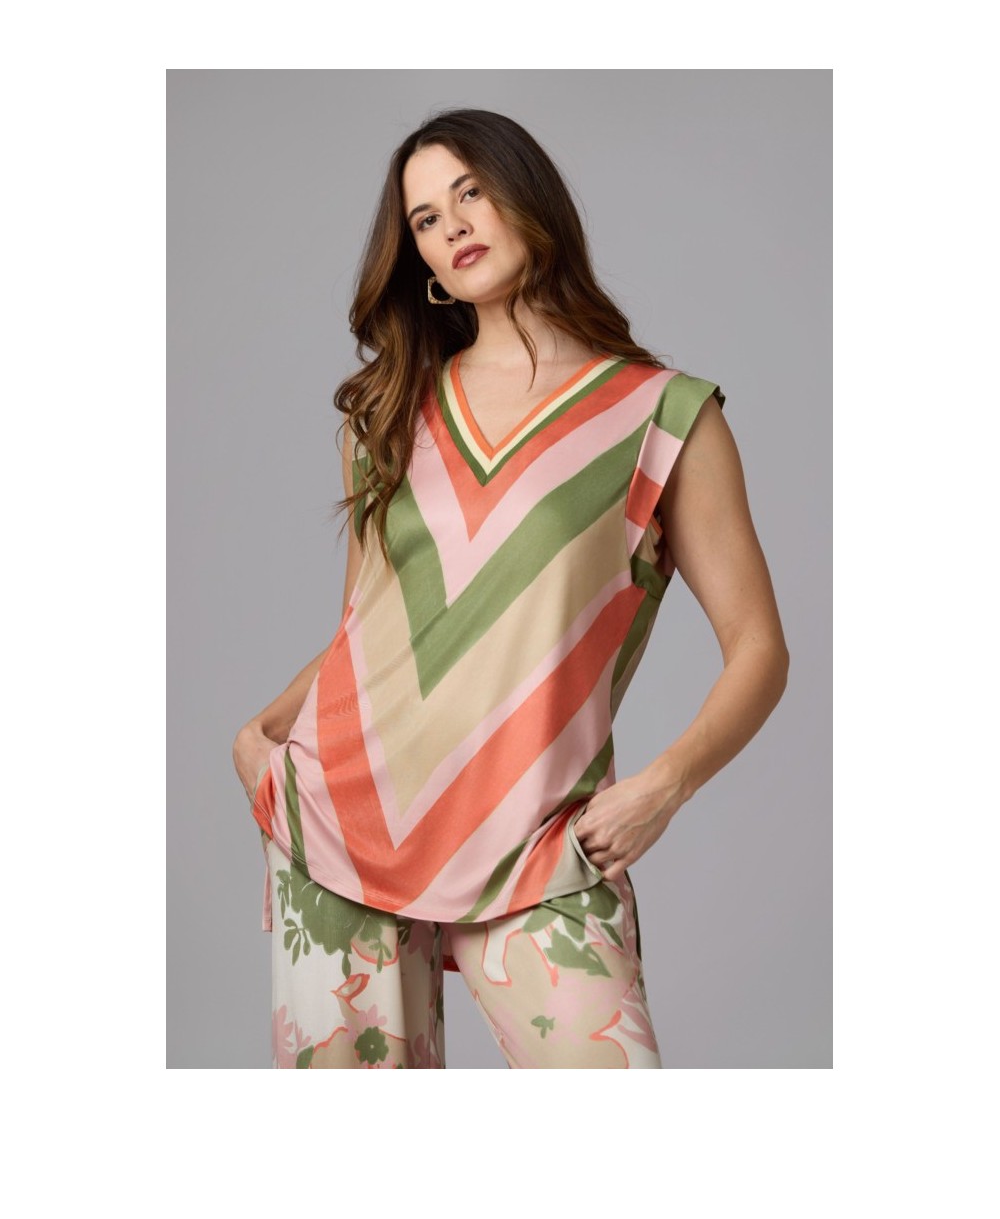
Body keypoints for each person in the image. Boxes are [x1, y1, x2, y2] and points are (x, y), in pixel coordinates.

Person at [232, 107, 789, 1069]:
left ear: (529, 198)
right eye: (424, 219)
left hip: (539, 841)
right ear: (421, 260)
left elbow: (760, 648)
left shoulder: (662, 415)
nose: (452, 225)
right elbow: (369, 629)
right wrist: (262, 734)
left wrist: (665, 786)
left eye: (471, 193)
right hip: (341, 824)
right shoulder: (388, 411)